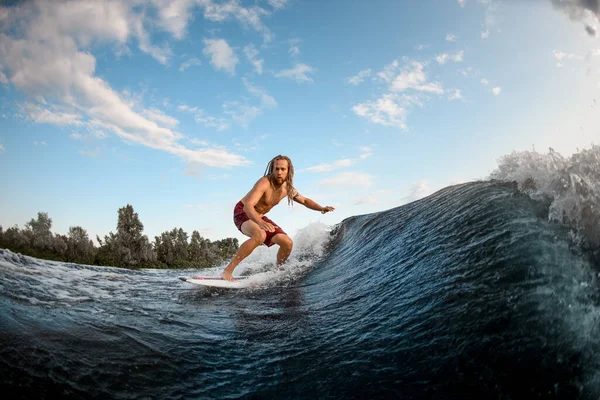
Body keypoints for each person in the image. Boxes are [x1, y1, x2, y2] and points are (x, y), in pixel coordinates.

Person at [222, 155, 335, 281]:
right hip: (243, 212)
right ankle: (228, 271)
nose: (279, 172)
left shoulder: (288, 188)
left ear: (288, 171)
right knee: (260, 235)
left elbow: (304, 200)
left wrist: (321, 208)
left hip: (259, 216)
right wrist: (259, 222)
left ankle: (278, 271)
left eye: (283, 169)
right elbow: (248, 206)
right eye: (277, 169)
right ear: (272, 169)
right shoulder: (264, 183)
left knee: (287, 243)